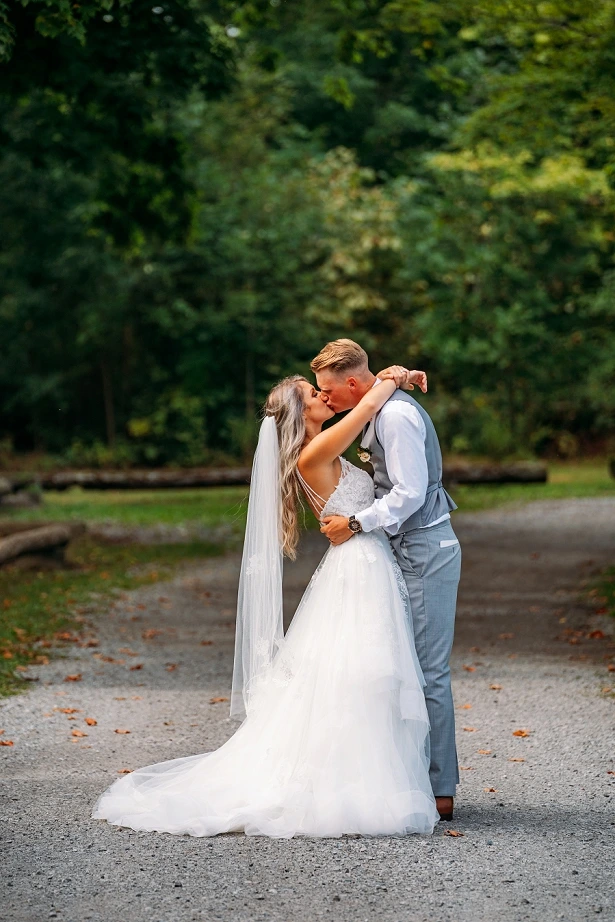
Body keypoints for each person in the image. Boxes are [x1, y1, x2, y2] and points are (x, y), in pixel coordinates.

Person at [91, 365, 440, 838]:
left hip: (363, 561)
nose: (322, 395)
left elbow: (363, 409)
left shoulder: (323, 445)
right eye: (312, 393)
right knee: (362, 670)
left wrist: (388, 379)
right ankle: (355, 784)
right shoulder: (315, 452)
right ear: (300, 413)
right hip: (358, 565)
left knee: (359, 673)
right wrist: (394, 377)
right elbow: (368, 406)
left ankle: (366, 775)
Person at [313, 339, 461, 822]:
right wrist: (400, 375)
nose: (326, 397)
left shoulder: (395, 417)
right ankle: (409, 777)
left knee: (428, 670)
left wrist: (356, 523)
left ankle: (439, 788)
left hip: (425, 549)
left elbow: (411, 492)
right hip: (404, 549)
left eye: (329, 389)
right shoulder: (378, 405)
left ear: (354, 384)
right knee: (404, 666)